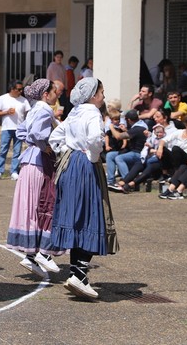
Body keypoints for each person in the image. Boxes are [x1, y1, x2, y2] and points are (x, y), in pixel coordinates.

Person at [48, 77, 118, 300]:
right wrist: (92, 156)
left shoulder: (75, 112)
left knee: (75, 216)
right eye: (102, 92)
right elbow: (96, 138)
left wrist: (66, 150)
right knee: (90, 215)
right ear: (93, 95)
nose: (103, 96)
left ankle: (78, 274)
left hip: (69, 165)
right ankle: (79, 274)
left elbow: (54, 137)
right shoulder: (92, 113)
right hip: (86, 166)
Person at [6, 79, 65, 279]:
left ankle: (32, 254)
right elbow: (35, 132)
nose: (57, 94)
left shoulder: (35, 110)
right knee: (45, 204)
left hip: (31, 161)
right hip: (40, 162)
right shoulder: (44, 110)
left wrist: (36, 142)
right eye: (54, 91)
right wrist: (44, 145)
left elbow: (22, 131)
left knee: (33, 206)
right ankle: (43, 252)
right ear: (45, 94)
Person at [0, 80, 31, 181]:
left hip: (19, 128)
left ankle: (14, 171)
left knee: (17, 151)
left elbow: (28, 113)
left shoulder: (24, 100)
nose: (20, 91)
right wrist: (6, 112)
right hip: (7, 127)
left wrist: (26, 125)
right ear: (12, 89)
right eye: (18, 89)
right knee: (3, 150)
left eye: (21, 89)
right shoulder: (3, 98)